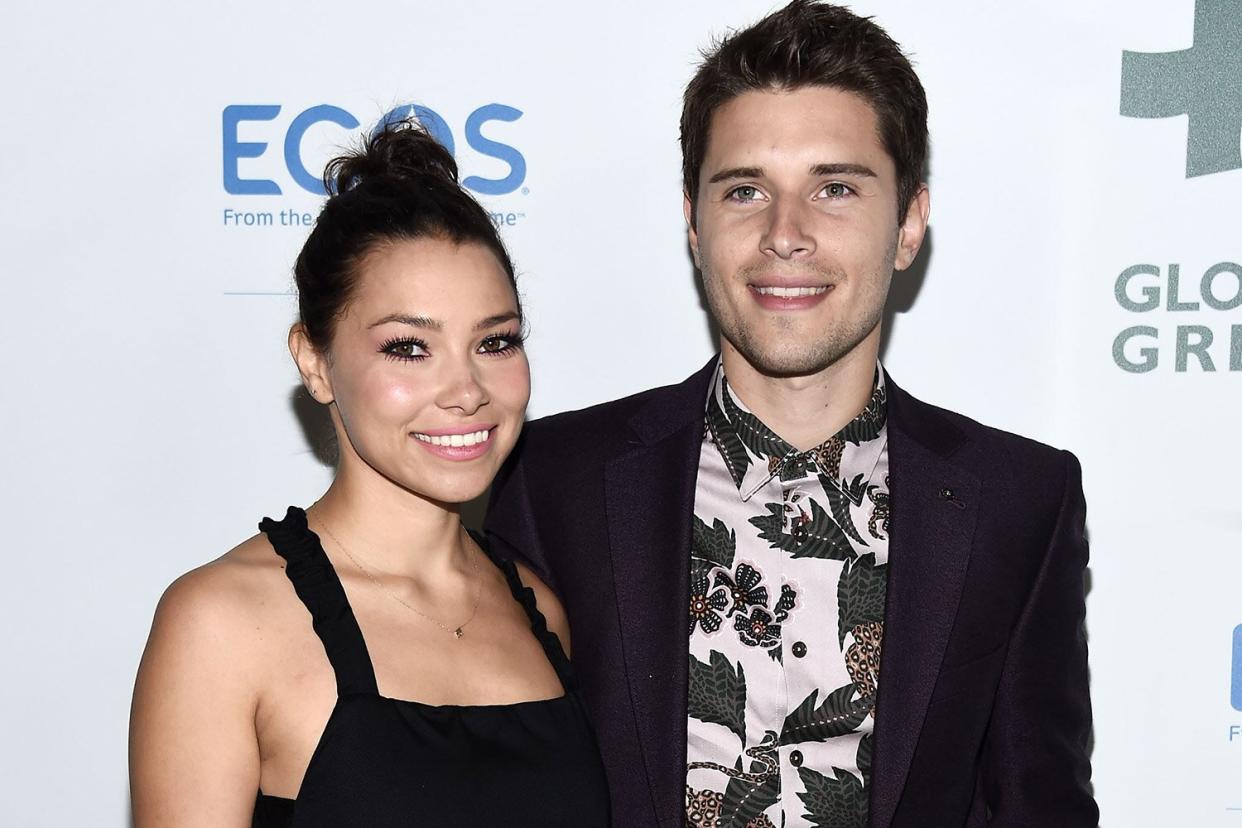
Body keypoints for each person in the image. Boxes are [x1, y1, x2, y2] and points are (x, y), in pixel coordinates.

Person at [485, 2, 1098, 826]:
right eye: (745, 190)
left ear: (910, 222)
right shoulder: (555, 481)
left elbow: (1040, 806)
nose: (785, 234)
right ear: (693, 224)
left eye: (835, 188)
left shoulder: (1021, 499)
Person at [129, 121, 610, 827]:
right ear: (315, 361)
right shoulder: (222, 624)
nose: (466, 389)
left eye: (495, 341)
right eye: (409, 347)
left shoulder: (539, 611)